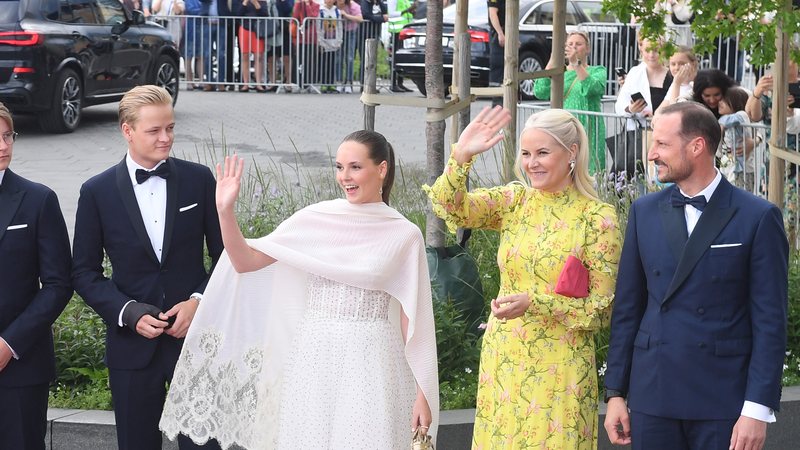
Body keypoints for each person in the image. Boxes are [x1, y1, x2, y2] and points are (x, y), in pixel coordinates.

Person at [160, 131, 439, 448]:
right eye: (339, 167)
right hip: (313, 357)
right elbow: (245, 261)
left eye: (355, 167)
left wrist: (423, 393)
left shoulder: (404, 234)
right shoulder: (316, 218)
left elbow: (412, 320)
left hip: (372, 362)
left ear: (382, 169)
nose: (344, 177)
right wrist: (225, 210)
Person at [426, 106, 622, 449]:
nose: (532, 163)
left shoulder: (597, 218)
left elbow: (602, 310)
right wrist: (461, 156)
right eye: (526, 153)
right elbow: (450, 207)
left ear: (571, 152)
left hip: (562, 365)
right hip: (505, 357)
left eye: (543, 153)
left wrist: (536, 302)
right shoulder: (515, 200)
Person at [603, 101, 788, 450]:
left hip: (723, 400)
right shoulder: (643, 212)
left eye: (661, 144)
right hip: (653, 395)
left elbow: (770, 322)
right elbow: (628, 309)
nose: (651, 154)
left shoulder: (758, 216)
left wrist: (757, 409)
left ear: (697, 146)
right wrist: (615, 393)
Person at [71, 85, 224, 450]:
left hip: (196, 339)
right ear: (127, 130)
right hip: (131, 344)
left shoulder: (198, 179)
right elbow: (84, 272)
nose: (166, 138)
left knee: (206, 445)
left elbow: (225, 256)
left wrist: (198, 301)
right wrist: (127, 312)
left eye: (170, 128)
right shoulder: (97, 191)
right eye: (154, 130)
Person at [0, 103, 72, 450]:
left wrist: (9, 343)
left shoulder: (38, 200)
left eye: (7, 135)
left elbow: (58, 284)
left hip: (21, 365)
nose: (3, 146)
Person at [535, 31, 607, 174]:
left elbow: (592, 88)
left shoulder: (597, 70)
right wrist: (552, 59)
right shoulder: (559, 72)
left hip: (589, 128)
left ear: (587, 49)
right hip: (564, 129)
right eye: (570, 44)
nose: (574, 47)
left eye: (578, 44)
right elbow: (540, 91)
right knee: (564, 169)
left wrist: (576, 64)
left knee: (590, 170)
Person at [717, 86, 754, 187]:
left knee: (741, 199)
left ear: (735, 102)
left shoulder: (742, 115)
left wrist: (720, 125)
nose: (719, 103)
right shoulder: (724, 121)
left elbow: (731, 120)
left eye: (724, 101)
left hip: (742, 170)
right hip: (728, 166)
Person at [238, 0, 269, 92]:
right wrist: (245, 2)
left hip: (258, 30)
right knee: (245, 55)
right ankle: (245, 83)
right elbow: (239, 13)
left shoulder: (263, 2)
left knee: (258, 56)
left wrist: (255, 3)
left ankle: (258, 83)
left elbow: (265, 14)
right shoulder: (243, 2)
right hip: (245, 28)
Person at [388, 0, 414, 92]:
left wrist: (411, 11)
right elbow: (390, 13)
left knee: (401, 58)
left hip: (404, 31)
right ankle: (393, 84)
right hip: (396, 30)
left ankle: (400, 83)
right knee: (395, 57)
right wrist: (406, 11)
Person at [337, 0, 363, 93]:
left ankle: (348, 82)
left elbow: (360, 19)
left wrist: (346, 15)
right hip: (337, 33)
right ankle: (339, 82)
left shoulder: (353, 5)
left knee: (350, 58)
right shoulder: (333, 5)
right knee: (338, 58)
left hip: (350, 32)